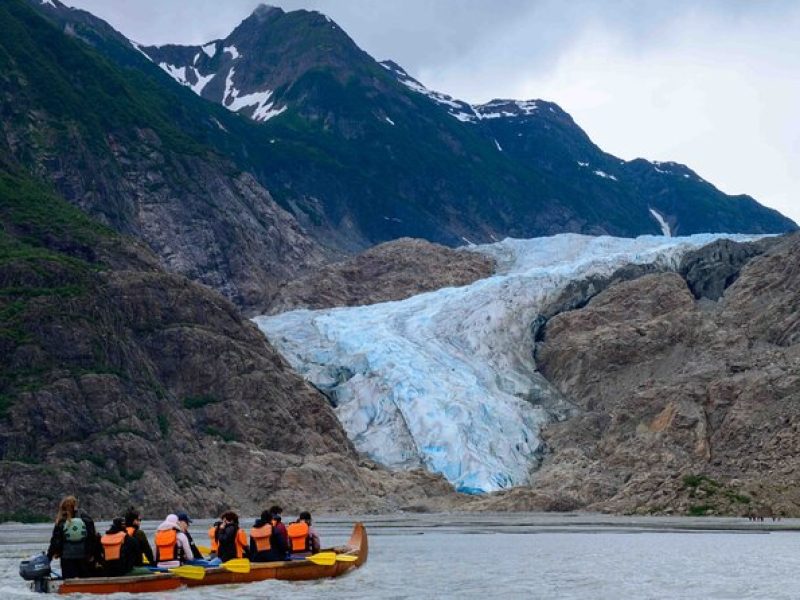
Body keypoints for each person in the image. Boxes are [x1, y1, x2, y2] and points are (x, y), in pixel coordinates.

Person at [46, 496, 99, 579]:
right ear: (76, 506)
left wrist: (48, 558)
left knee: (69, 582)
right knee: (85, 582)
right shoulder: (86, 519)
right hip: (84, 557)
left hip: (67, 558)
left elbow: (55, 542)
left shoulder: (62, 522)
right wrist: (92, 555)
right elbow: (93, 538)